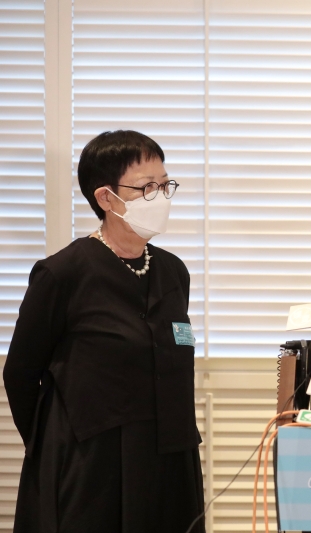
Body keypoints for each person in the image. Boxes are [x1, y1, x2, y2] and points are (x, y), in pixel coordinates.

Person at [3, 131, 204, 532]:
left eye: (165, 185)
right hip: (92, 465)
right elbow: (20, 374)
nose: (160, 196)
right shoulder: (62, 273)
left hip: (170, 456)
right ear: (106, 198)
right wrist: (53, 447)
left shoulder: (172, 271)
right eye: (147, 187)